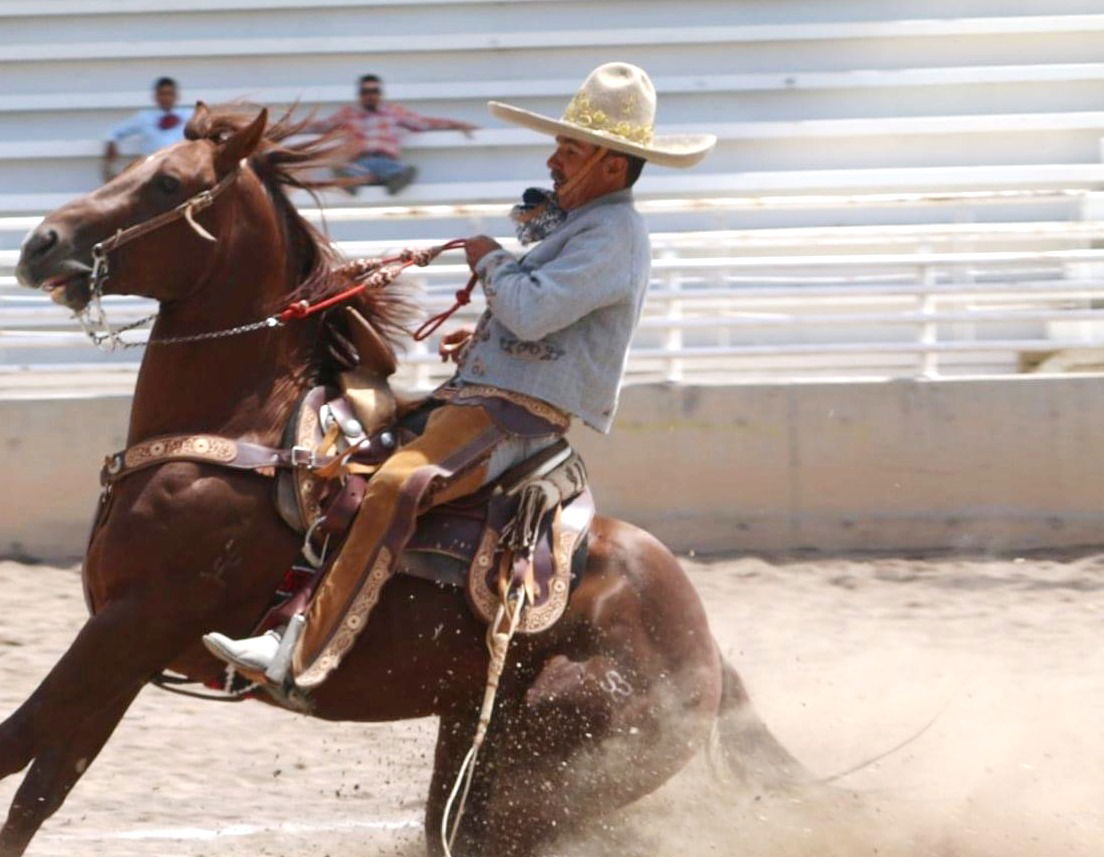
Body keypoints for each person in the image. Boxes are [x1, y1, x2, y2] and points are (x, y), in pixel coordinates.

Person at [203, 62, 716, 694]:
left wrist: (489, 257)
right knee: (338, 448)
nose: (554, 161)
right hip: (483, 399)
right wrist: (479, 340)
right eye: (557, 146)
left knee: (396, 484)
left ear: (612, 166)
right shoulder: (588, 226)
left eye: (570, 151)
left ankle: (297, 652)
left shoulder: (614, 234)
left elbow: (532, 310)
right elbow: (544, 317)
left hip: (516, 417)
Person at [310, 74, 477, 195]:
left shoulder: (393, 111)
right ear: (360, 94)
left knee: (395, 169)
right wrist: (289, 129)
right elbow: (323, 126)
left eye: (374, 91)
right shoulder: (348, 113)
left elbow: (423, 123)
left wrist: (456, 124)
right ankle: (360, 179)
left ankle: (381, 178)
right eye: (365, 92)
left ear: (380, 93)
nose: (370, 96)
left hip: (385, 158)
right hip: (360, 160)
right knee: (347, 170)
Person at [102, 77, 186, 181]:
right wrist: (111, 143)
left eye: (169, 94)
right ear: (155, 96)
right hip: (152, 169)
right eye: (162, 94)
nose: (166, 98)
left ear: (176, 96)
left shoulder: (188, 116)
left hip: (180, 168)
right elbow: (114, 132)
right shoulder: (144, 117)